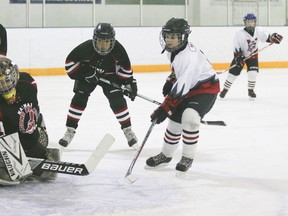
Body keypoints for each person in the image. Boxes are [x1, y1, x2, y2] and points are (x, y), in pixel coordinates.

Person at [145, 18, 220, 173]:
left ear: (183, 37)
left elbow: (181, 88)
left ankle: (187, 157)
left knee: (190, 118)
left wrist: (163, 109)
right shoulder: (172, 50)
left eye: (173, 37)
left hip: (205, 89)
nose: (169, 40)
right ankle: (166, 155)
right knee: (174, 122)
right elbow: (178, 72)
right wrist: (170, 79)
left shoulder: (189, 57)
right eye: (167, 36)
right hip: (189, 86)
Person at [59, 23, 138, 149]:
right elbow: (70, 64)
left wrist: (129, 83)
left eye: (106, 41)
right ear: (94, 40)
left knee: (117, 100)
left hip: (110, 76)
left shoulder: (119, 50)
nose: (103, 45)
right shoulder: (86, 47)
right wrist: (85, 73)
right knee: (80, 97)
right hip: (89, 75)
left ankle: (128, 130)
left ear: (112, 41)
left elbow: (125, 69)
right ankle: (69, 131)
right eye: (100, 41)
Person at [0, 57, 60, 186]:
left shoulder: (27, 84)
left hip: (29, 135)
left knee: (40, 168)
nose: (4, 87)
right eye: (0, 84)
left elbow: (32, 112)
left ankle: (44, 151)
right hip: (7, 137)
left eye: (7, 81)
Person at [219, 13, 283, 100]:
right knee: (232, 75)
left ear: (255, 22)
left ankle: (251, 91)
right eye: (248, 22)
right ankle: (225, 90)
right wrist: (238, 57)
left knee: (252, 73)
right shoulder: (240, 34)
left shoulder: (259, 31)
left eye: (252, 22)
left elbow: (267, 37)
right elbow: (236, 47)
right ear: (245, 23)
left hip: (253, 55)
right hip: (241, 56)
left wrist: (273, 38)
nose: (250, 24)